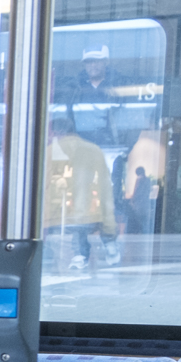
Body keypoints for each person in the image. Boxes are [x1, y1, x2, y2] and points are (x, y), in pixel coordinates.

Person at [43, 113, 116, 270]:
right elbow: (105, 189)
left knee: (57, 264)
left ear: (55, 133)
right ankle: (82, 257)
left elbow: (44, 187)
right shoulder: (94, 150)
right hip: (90, 214)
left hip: (58, 218)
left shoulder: (50, 152)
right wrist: (109, 230)